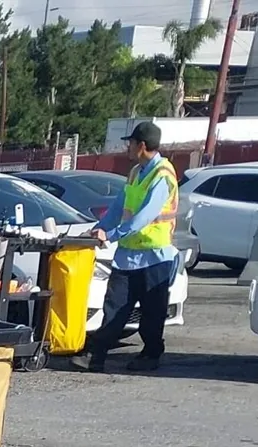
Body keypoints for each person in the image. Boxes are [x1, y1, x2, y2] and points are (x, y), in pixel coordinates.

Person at [81, 121, 179, 373]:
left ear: (141, 145)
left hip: (154, 257)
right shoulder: (136, 171)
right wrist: (99, 228)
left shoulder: (162, 175)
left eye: (131, 143)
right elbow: (119, 207)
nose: (128, 147)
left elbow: (144, 217)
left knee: (152, 313)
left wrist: (111, 235)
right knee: (114, 307)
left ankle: (150, 354)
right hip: (127, 256)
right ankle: (95, 355)